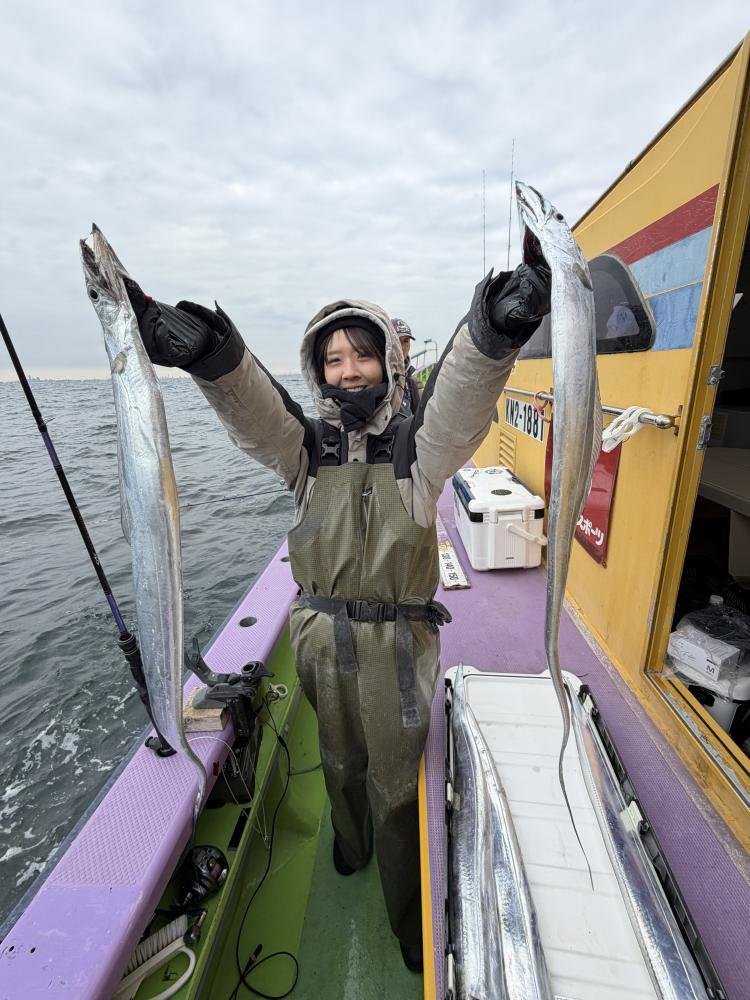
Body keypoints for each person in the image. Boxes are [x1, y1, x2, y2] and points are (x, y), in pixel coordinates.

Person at [124, 252, 551, 973]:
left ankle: (408, 918)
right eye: (333, 359)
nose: (348, 370)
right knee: (338, 759)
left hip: (398, 647)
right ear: (318, 371)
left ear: (388, 361)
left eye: (361, 355)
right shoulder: (306, 451)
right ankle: (350, 846)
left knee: (395, 785)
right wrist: (208, 355)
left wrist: (494, 332)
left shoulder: (419, 449)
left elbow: (460, 400)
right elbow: (255, 410)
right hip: (321, 638)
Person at [391, 317, 421, 416]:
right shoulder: (376, 377)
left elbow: (419, 419)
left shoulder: (411, 383)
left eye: (406, 341)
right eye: (397, 341)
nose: (402, 347)